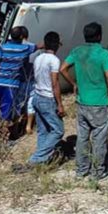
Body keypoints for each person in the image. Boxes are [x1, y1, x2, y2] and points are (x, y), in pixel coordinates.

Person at [60, 22, 108, 181]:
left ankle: (81, 170)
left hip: (82, 102)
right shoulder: (103, 54)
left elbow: (62, 68)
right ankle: (97, 172)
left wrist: (74, 84)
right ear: (99, 36)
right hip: (99, 102)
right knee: (99, 138)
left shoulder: (77, 51)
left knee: (83, 137)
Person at [28, 31, 66, 165]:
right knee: (58, 130)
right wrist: (60, 104)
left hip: (37, 96)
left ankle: (42, 161)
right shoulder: (54, 60)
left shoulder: (38, 57)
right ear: (57, 45)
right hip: (47, 98)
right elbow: (54, 83)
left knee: (42, 130)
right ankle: (36, 158)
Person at [0, 27, 37, 122]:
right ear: (21, 36)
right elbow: (39, 46)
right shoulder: (26, 48)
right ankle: (3, 132)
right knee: (6, 112)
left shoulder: (3, 47)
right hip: (11, 84)